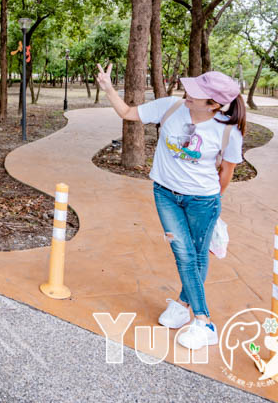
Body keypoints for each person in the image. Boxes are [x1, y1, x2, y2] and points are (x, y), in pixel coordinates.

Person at [96, 64, 245, 350]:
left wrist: (212, 201)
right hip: (165, 195)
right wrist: (108, 88)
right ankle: (185, 308)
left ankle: (200, 320)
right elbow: (128, 113)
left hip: (203, 201)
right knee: (183, 252)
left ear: (214, 104)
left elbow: (226, 173)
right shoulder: (171, 106)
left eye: (198, 93)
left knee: (196, 256)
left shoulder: (228, 131)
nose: (188, 92)